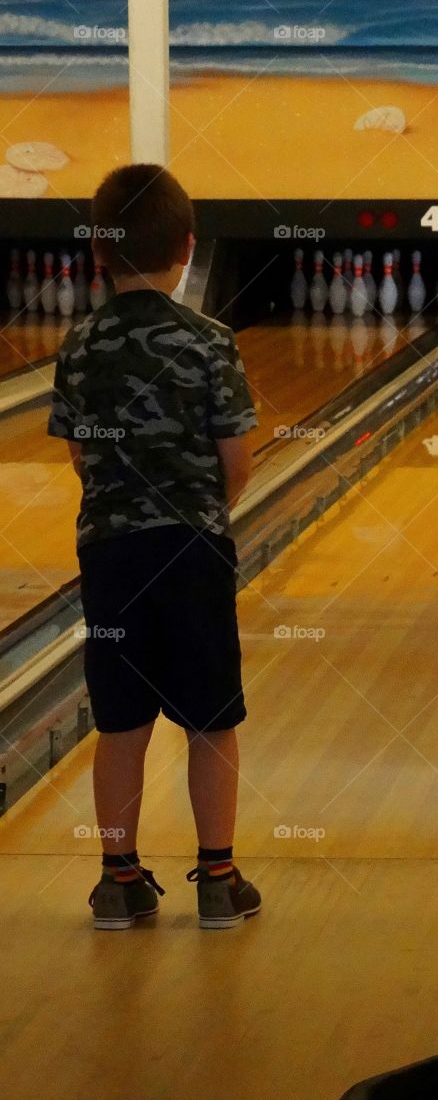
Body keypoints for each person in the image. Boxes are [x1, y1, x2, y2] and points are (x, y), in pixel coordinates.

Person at [48, 163, 262, 930]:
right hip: (193, 553)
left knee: (120, 722)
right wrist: (203, 507)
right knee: (211, 720)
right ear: (189, 248)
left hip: (110, 558)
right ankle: (218, 877)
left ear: (99, 253)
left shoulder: (79, 344)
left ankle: (119, 879)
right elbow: (237, 460)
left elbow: (79, 457)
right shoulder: (210, 342)